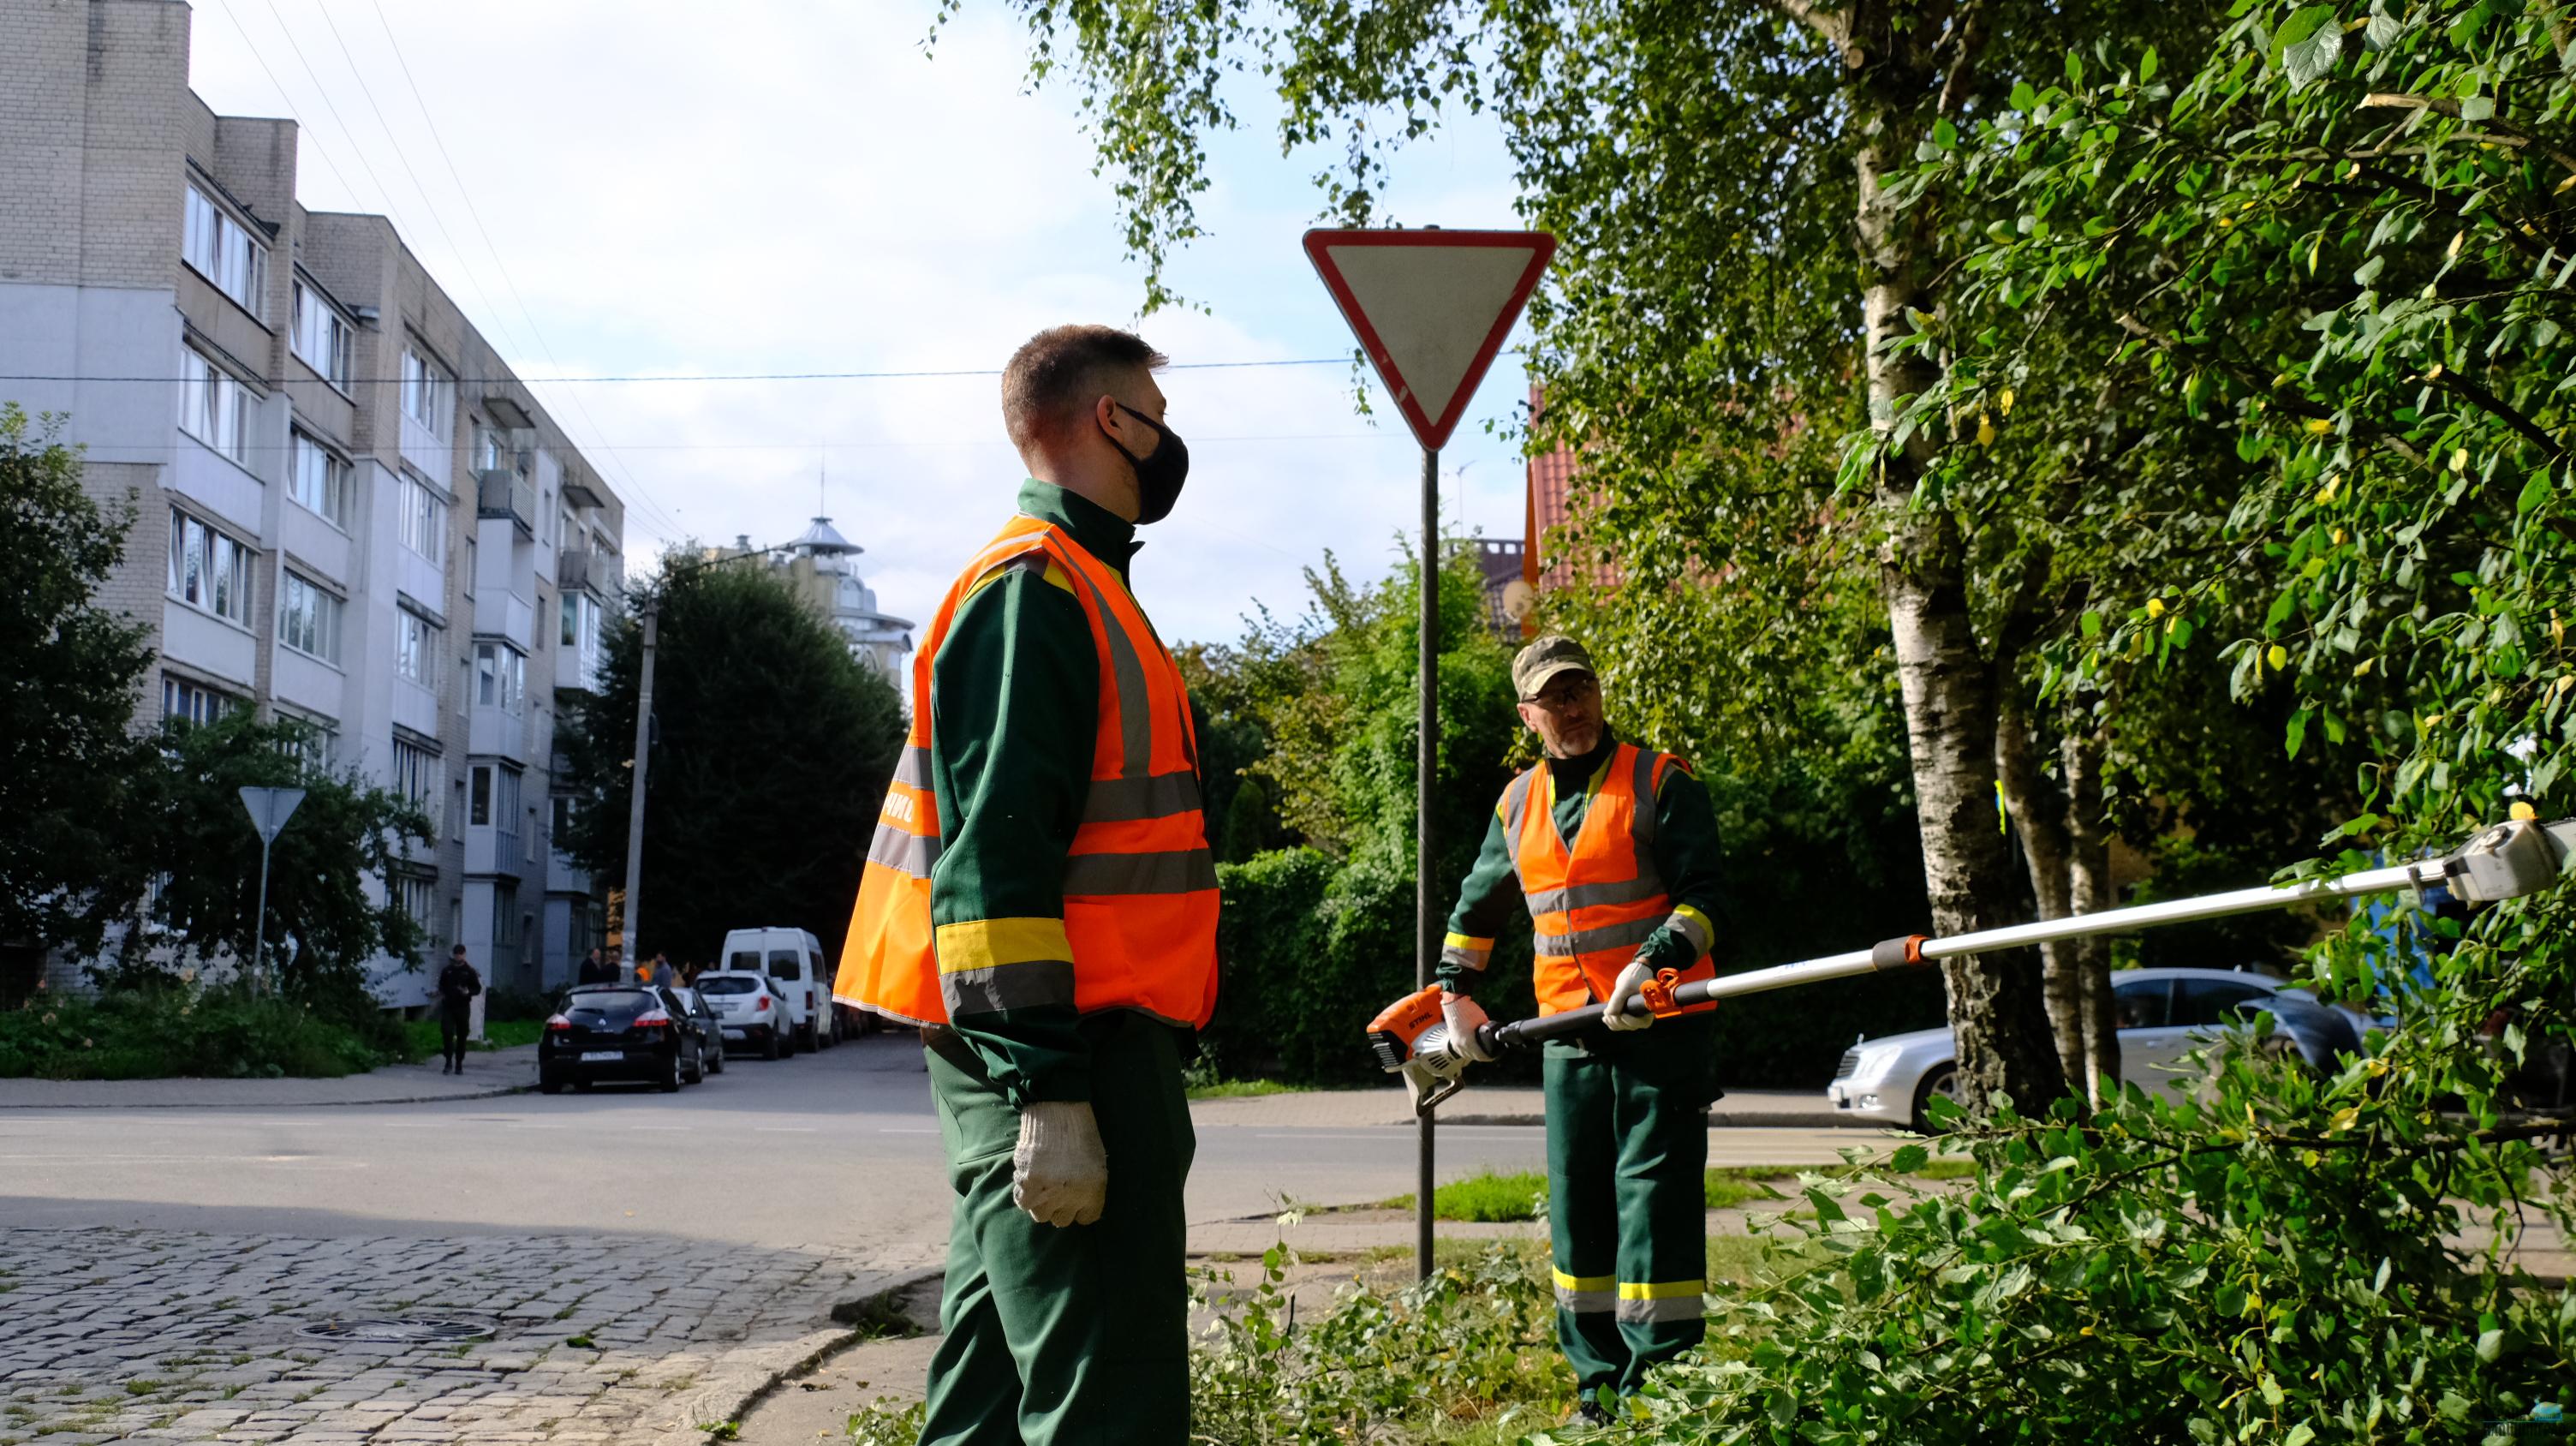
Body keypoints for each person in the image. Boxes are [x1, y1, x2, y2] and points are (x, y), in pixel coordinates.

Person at [837, 324, 1217, 1445]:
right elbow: (995, 865)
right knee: (1110, 1396)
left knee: (996, 1387)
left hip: (1051, 1044)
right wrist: (1050, 1090)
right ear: (1112, 420)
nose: (1170, 437)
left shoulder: (1081, 585)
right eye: (1156, 409)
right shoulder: (1040, 594)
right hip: (1070, 1050)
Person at [1428, 635, 1725, 1424]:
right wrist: (1455, 992)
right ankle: (1596, 1386)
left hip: (1659, 1023)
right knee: (1578, 1203)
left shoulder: (1661, 780)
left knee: (1652, 1200)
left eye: (1581, 688)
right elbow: (1476, 909)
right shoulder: (1516, 803)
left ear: (1598, 691)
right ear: (1528, 716)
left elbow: (1705, 897)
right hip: (1568, 1033)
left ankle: (1660, 1385)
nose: (1573, 707)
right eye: (1554, 698)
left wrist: (1656, 959)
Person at [437, 944, 483, 1076]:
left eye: (460, 954)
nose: (458, 956)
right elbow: (442, 985)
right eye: (456, 954)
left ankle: (459, 1063)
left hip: (462, 1007)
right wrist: (442, 992)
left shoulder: (469, 971)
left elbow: (477, 988)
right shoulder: (447, 970)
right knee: (447, 1032)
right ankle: (448, 1061)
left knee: (462, 1035)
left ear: (464, 954)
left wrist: (468, 992)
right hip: (448, 1006)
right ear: (454, 955)